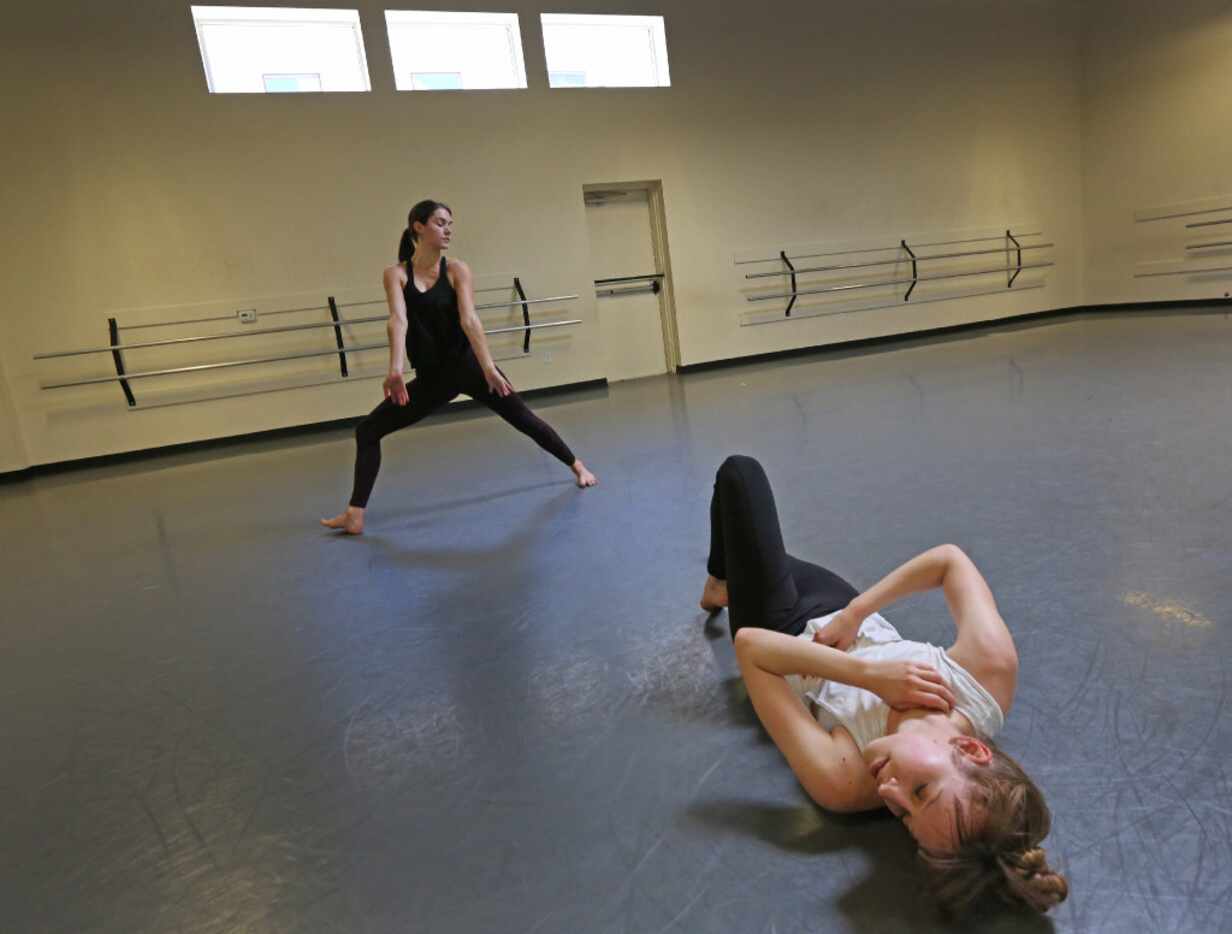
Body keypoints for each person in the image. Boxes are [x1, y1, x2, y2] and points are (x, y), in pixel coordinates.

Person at [700, 454, 1068, 916]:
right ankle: (721, 579)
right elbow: (949, 562)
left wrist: (868, 675)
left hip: (780, 628)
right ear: (973, 752)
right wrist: (855, 613)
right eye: (921, 792)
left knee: (740, 476)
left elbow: (752, 647)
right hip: (842, 605)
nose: (890, 795)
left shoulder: (844, 780)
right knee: (750, 541)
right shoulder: (986, 678)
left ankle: (726, 578)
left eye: (905, 820)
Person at [322, 200, 596, 534]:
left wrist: (489, 368)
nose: (448, 229)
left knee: (523, 418)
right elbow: (398, 320)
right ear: (418, 227)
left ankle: (577, 466)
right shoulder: (395, 274)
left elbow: (470, 320)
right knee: (367, 431)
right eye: (440, 222)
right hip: (432, 378)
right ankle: (355, 514)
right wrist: (395, 369)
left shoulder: (457, 271)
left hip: (471, 367)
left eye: (450, 223)